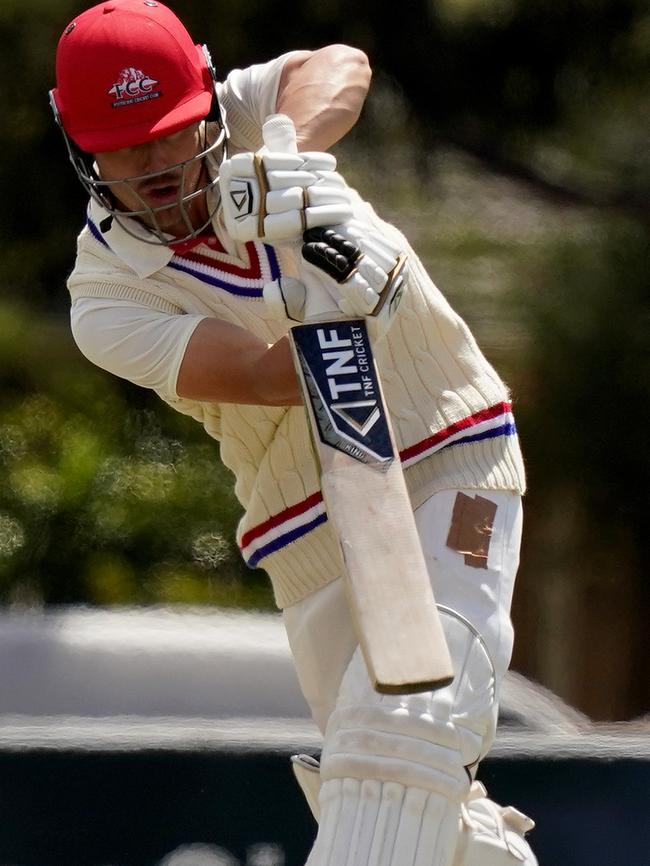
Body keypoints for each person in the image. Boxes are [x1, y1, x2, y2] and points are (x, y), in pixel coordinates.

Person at [50, 2, 537, 864]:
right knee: (405, 795)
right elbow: (267, 376)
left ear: (204, 98)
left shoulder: (243, 113)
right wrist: (352, 280)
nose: (155, 164)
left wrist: (285, 157)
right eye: (122, 147)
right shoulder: (105, 299)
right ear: (83, 147)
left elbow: (343, 63)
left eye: (169, 133)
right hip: (307, 527)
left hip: (447, 445)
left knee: (410, 727)